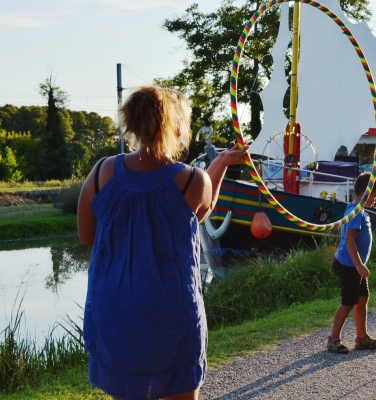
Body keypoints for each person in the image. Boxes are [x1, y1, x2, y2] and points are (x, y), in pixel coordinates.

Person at [77, 86, 250, 400]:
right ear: (177, 128)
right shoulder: (190, 179)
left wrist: (222, 161)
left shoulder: (102, 172)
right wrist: (223, 162)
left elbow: (88, 236)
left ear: (131, 123)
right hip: (169, 313)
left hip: (114, 311)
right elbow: (202, 208)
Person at [328, 172, 376, 354]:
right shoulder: (355, 213)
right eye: (375, 197)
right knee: (348, 302)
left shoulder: (358, 211)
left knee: (362, 299)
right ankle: (333, 339)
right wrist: (359, 265)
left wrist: (359, 265)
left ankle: (362, 338)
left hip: (354, 265)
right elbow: (350, 240)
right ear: (367, 194)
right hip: (348, 265)